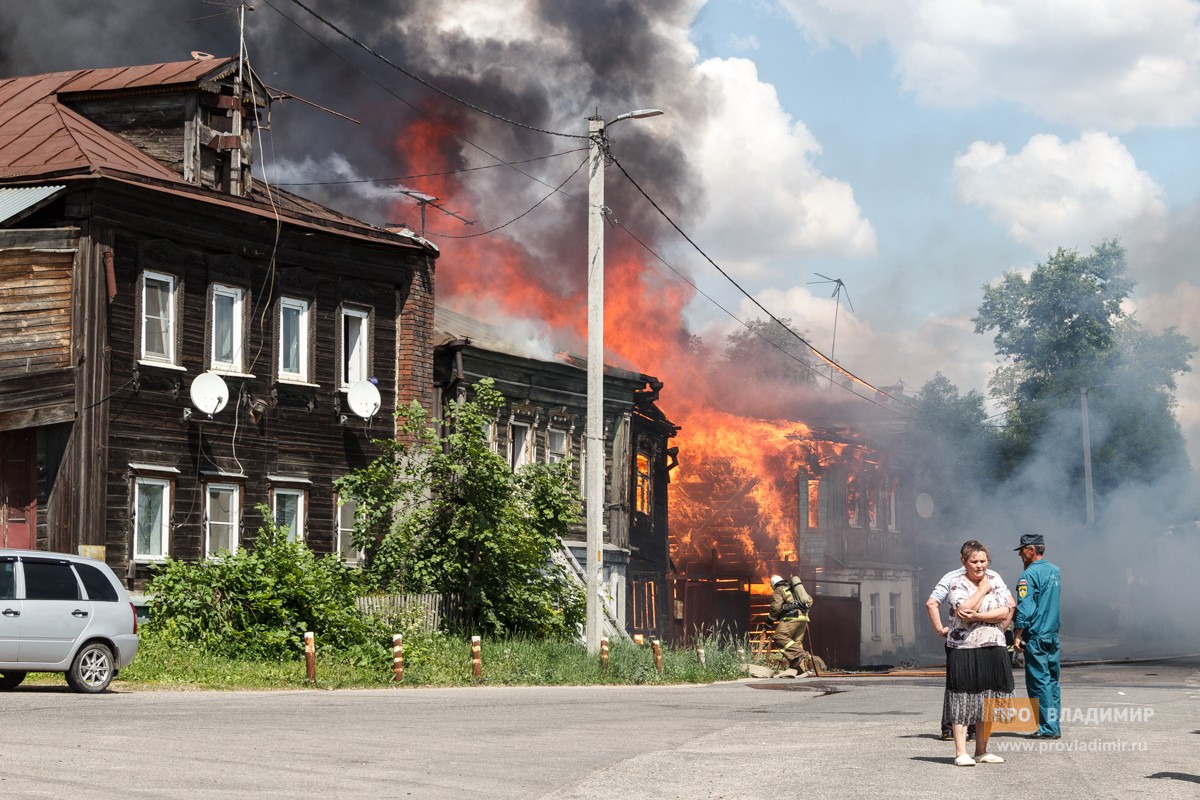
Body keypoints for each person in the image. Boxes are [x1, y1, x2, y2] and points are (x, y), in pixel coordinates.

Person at [925, 540, 1014, 766]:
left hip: (993, 645)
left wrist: (977, 616)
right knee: (962, 698)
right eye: (974, 561)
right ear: (964, 562)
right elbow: (963, 610)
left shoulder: (996, 579)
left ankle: (982, 750)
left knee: (987, 698)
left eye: (983, 561)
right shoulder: (956, 583)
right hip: (964, 649)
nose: (979, 566)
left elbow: (1005, 610)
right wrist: (983, 590)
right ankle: (961, 752)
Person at [1013, 533, 1061, 739]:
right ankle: (1053, 724)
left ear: (1031, 550)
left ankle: (1047, 728)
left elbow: (1026, 607)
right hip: (1052, 634)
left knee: (1038, 682)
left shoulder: (1028, 575)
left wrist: (1017, 634)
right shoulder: (1055, 571)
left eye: (1022, 550)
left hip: (1036, 634)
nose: (1020, 555)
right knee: (1052, 681)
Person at [767, 574, 813, 672]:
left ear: (773, 584)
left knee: (779, 637)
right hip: (803, 618)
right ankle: (801, 670)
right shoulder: (793, 588)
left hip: (791, 618)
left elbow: (776, 607)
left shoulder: (779, 589)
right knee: (797, 643)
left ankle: (800, 653)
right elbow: (810, 600)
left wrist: (769, 621)